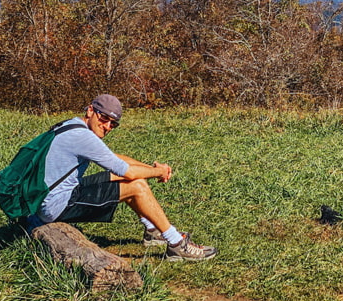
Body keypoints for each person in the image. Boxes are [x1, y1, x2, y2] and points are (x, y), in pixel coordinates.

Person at [27, 94, 217, 262]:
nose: (107, 126)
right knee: (136, 187)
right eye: (104, 118)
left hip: (46, 196)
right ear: (91, 110)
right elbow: (128, 172)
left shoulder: (72, 125)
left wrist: (151, 168)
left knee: (134, 181)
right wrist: (158, 173)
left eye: (113, 124)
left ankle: (152, 231)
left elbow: (114, 158)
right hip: (54, 205)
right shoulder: (83, 137)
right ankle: (176, 244)